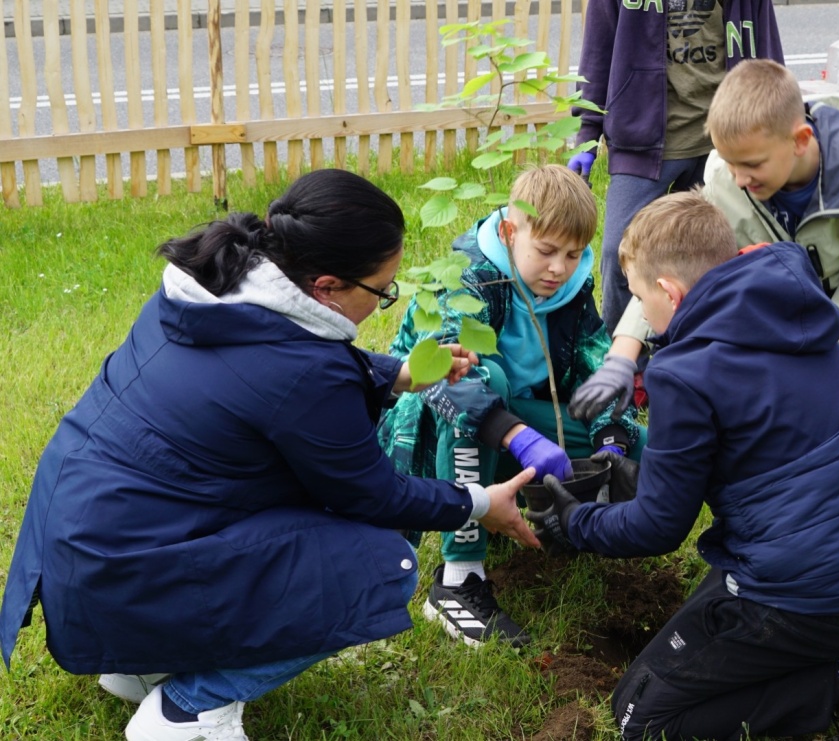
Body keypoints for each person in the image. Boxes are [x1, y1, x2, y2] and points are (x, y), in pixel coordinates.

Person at [0, 169, 540, 741]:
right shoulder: (302, 372)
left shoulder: (210, 288)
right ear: (327, 286)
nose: (383, 301)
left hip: (86, 547)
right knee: (382, 564)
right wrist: (480, 503)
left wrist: (397, 374)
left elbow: (271, 378)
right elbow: (371, 493)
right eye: (382, 292)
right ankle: (186, 711)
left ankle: (141, 666)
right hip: (120, 574)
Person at [529, 192, 839, 741]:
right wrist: (648, 480)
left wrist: (574, 521)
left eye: (641, 299)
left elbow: (658, 529)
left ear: (670, 293)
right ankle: (823, 657)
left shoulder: (684, 370)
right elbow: (764, 441)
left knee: (640, 717)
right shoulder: (790, 307)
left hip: (816, 588)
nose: (643, 318)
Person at [571, 59, 839, 437]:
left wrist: (810, 349)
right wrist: (623, 354)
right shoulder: (728, 177)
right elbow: (677, 262)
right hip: (785, 283)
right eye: (730, 162)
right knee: (761, 390)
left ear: (800, 141)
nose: (738, 179)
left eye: (751, 164)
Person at [378, 164, 645, 648]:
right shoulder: (467, 279)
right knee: (487, 379)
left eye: (573, 253)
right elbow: (440, 378)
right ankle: (458, 579)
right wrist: (517, 435)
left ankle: (581, 522)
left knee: (634, 438)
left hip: (515, 421)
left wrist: (612, 439)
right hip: (434, 419)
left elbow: (598, 363)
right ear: (508, 231)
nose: (559, 268)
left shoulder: (571, 288)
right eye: (545, 251)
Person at [568, 0, 784, 335]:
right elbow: (598, 50)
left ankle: (699, 354)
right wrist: (588, 132)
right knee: (617, 256)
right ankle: (626, 367)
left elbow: (767, 54)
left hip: (723, 143)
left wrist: (772, 128)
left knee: (721, 257)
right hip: (641, 135)